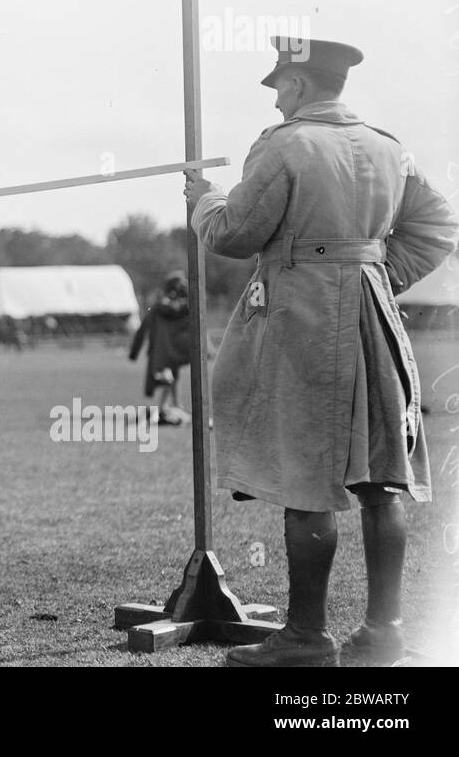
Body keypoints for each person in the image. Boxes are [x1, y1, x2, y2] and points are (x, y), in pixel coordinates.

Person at [185, 37, 458, 667]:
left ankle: (306, 638)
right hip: (374, 319)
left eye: (279, 85)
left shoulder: (284, 144)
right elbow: (439, 225)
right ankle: (383, 633)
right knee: (381, 479)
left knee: (306, 478)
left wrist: (204, 199)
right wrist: (378, 273)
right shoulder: (390, 148)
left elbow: (234, 232)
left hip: (305, 320)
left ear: (300, 85)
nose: (277, 99)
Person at [127, 271, 192, 425]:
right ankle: (165, 408)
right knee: (169, 379)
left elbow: (143, 330)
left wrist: (134, 352)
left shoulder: (160, 308)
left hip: (163, 352)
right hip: (170, 351)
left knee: (171, 378)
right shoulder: (183, 310)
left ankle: (174, 406)